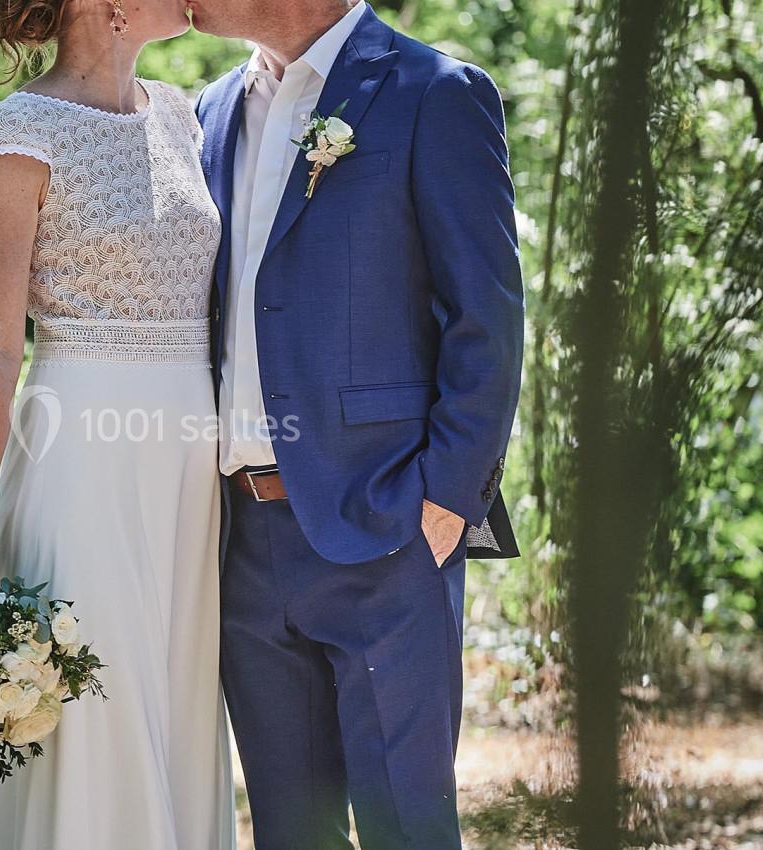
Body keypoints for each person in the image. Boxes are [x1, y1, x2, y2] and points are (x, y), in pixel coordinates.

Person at [0, 0, 235, 847]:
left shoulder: (183, 114)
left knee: (171, 691)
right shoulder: (15, 134)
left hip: (188, 462)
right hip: (83, 455)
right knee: (99, 694)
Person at [189, 1, 525, 847]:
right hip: (240, 540)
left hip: (389, 527)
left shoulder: (432, 91)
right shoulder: (209, 110)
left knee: (405, 827)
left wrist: (445, 499)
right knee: (288, 832)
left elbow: (484, 317)